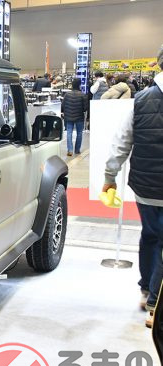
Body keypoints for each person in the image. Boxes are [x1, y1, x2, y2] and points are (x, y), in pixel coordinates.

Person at [102, 44, 163, 328]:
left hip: (145, 186)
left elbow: (122, 142)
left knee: (150, 235)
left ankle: (146, 290)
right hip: (149, 185)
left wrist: (109, 176)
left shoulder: (141, 100)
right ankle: (155, 305)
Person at [61, 78, 88, 156]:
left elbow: (63, 105)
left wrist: (64, 112)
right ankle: (77, 150)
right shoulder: (83, 95)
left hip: (68, 116)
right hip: (79, 116)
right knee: (79, 133)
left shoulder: (67, 94)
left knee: (69, 132)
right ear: (79, 85)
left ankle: (70, 150)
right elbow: (85, 108)